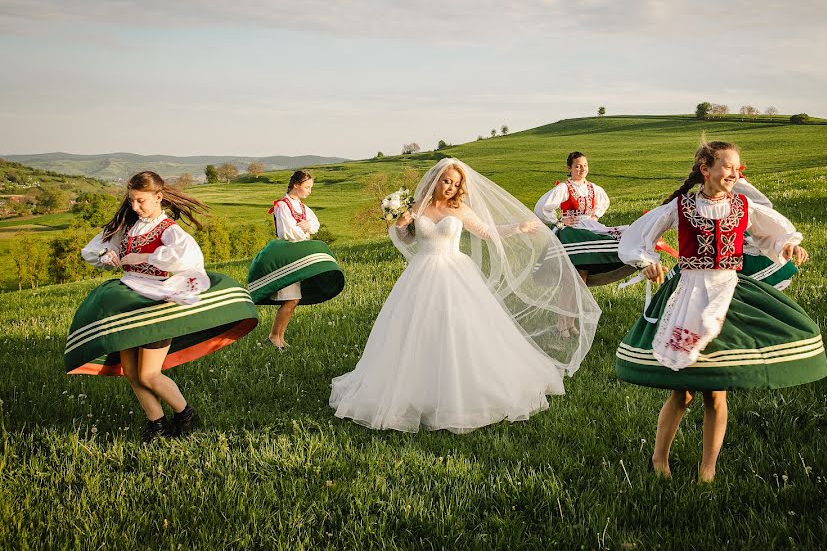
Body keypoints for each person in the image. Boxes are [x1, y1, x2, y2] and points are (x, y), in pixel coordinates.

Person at [330, 158, 601, 433]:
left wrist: (518, 228)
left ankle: (463, 388)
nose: (450, 187)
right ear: (436, 179)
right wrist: (401, 223)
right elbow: (408, 239)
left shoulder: (458, 209)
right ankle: (413, 388)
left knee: (460, 328)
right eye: (447, 181)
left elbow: (485, 231)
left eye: (456, 183)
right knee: (415, 329)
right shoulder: (416, 207)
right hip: (421, 273)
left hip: (454, 271)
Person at [614, 141, 827, 482]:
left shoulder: (743, 206)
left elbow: (771, 233)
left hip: (726, 293)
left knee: (716, 391)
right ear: (706, 169)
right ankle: (659, 460)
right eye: (727, 166)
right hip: (687, 295)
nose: (733, 173)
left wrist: (787, 244)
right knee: (682, 392)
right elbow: (639, 235)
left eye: (737, 168)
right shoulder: (681, 206)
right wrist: (647, 262)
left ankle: (708, 469)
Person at [68, 171, 259, 441]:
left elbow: (187, 258)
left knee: (149, 373)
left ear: (158, 197)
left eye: (141, 201)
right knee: (132, 373)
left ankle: (185, 413)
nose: (134, 206)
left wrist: (144, 254)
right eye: (132, 200)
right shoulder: (127, 225)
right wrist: (105, 255)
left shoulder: (169, 230)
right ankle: (157, 424)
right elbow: (93, 248)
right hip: (126, 299)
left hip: (157, 299)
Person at [246, 170, 344, 349]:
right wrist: (305, 231)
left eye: (311, 188)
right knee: (291, 299)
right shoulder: (282, 206)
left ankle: (278, 337)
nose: (309, 191)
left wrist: (308, 226)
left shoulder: (303, 207)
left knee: (293, 299)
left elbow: (315, 223)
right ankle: (274, 337)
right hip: (286, 255)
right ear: (296, 185)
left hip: (298, 255)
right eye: (307, 187)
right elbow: (287, 232)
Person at [534, 152, 635, 288]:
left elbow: (604, 202)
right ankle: (574, 300)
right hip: (571, 231)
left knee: (621, 236)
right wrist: (559, 222)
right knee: (576, 271)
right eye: (578, 166)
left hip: (589, 226)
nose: (582, 169)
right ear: (569, 168)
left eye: (585, 166)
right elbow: (542, 207)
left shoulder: (593, 188)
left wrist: (594, 217)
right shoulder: (564, 188)